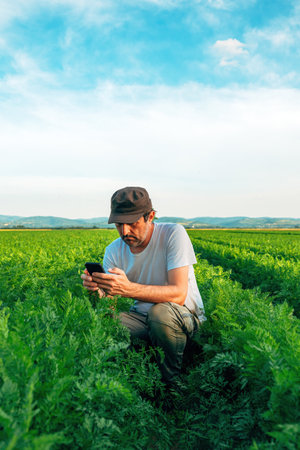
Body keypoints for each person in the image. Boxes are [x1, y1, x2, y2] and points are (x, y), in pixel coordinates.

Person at [81, 186, 205, 384]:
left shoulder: (173, 234)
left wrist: (128, 288)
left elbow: (179, 294)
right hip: (142, 319)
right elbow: (109, 308)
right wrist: (97, 291)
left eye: (131, 223)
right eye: (118, 224)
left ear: (151, 216)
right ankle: (135, 377)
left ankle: (171, 385)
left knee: (160, 314)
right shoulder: (113, 250)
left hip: (183, 316)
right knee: (106, 324)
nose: (125, 231)